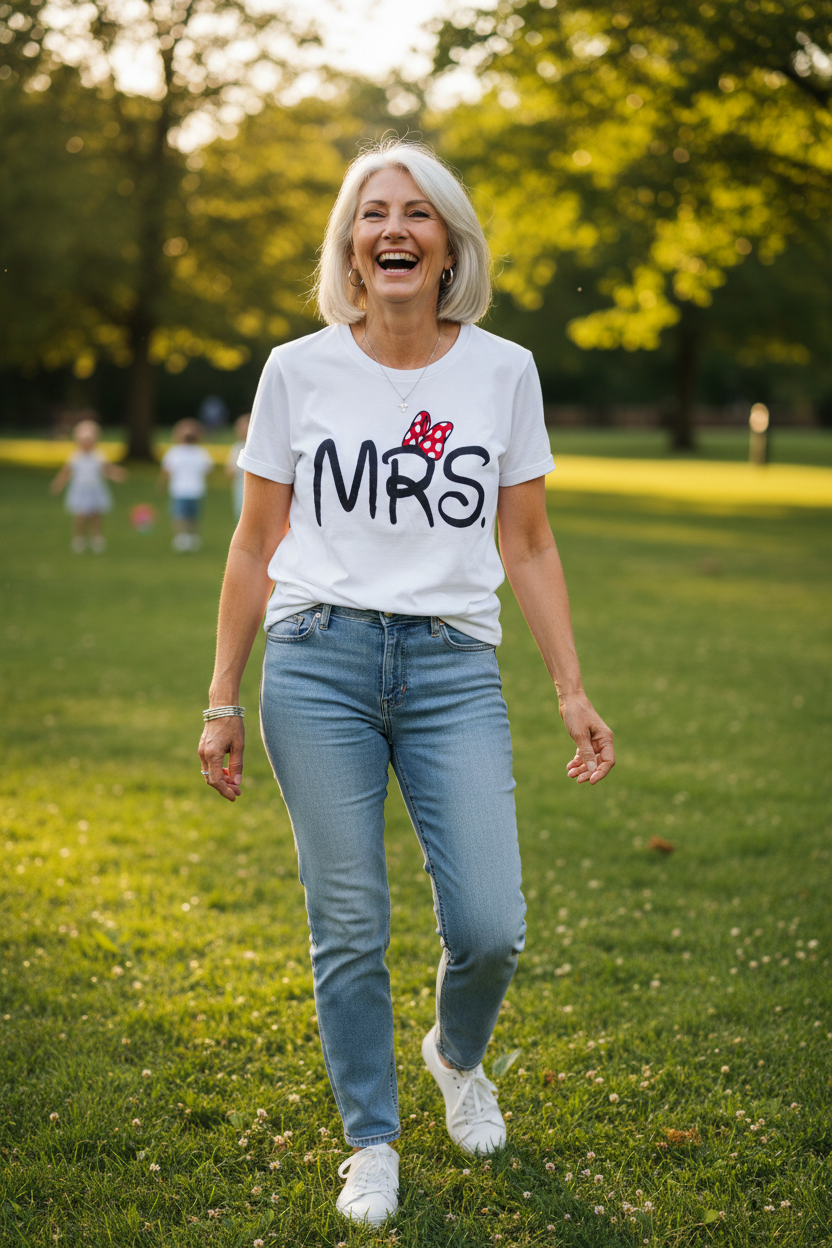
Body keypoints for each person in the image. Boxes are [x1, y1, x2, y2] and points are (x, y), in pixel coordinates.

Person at [198, 142, 614, 1226]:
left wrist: (569, 687)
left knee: (490, 925)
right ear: (350, 243)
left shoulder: (502, 372)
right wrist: (221, 697)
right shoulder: (297, 369)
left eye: (418, 215)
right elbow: (252, 545)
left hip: (449, 670)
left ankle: (455, 1054)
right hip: (317, 662)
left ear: (448, 247)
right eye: (373, 212)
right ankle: (371, 1142)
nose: (395, 228)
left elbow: (526, 543)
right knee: (348, 920)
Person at [50, 417, 126, 552]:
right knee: (80, 516)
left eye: (90, 440)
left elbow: (106, 469)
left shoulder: (98, 455)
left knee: (96, 516)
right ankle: (78, 539)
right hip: (80, 490)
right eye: (84, 440)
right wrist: (58, 484)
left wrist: (117, 474)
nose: (87, 443)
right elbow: (66, 473)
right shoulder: (75, 457)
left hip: (95, 489)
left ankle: (97, 538)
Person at [160, 419, 215, 551]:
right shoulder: (200, 453)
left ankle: (184, 537)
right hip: (195, 490)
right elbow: (208, 470)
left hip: (181, 490)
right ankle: (189, 537)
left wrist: (162, 485)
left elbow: (166, 471)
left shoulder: (174, 453)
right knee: (192, 516)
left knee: (181, 516)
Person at [225, 413, 250, 522]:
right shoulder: (237, 448)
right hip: (241, 488)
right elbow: (230, 471)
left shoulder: (239, 448)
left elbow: (230, 471)